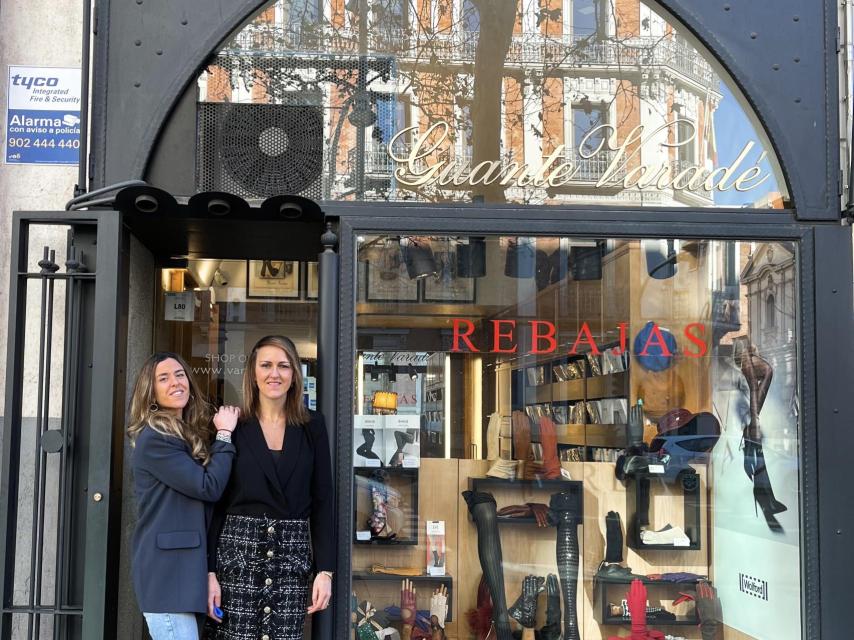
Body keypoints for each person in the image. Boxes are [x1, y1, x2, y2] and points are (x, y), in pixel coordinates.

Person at [204, 335, 334, 640]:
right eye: (266, 365)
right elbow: (216, 503)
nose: (274, 374)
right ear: (253, 372)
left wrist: (325, 570)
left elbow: (323, 500)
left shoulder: (312, 425)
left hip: (291, 560)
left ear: (294, 374)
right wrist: (208, 572)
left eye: (283, 366)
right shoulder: (233, 425)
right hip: (238, 559)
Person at [128, 352, 239, 640]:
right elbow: (208, 486)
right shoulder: (155, 438)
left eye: (180, 375)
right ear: (151, 392)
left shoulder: (182, 434)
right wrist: (224, 435)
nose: (176, 382)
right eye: (163, 378)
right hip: (167, 576)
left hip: (183, 574)